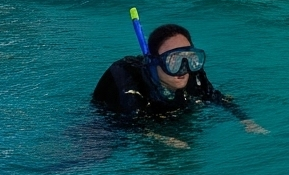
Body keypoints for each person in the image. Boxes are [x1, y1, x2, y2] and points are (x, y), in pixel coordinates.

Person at [91, 22, 266, 134]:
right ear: (155, 62)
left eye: (189, 57)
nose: (184, 68)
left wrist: (245, 120)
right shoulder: (132, 83)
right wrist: (161, 138)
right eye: (173, 60)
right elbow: (134, 122)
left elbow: (214, 96)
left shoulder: (192, 73)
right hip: (112, 121)